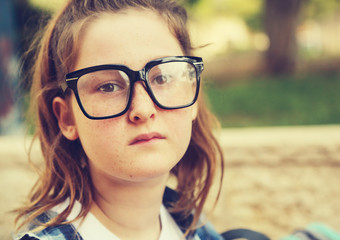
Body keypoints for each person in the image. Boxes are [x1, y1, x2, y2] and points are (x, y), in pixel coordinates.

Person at [13, 0, 224, 239]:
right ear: (66, 118)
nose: (143, 110)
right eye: (109, 86)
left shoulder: (194, 225)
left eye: (163, 78)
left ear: (192, 94)